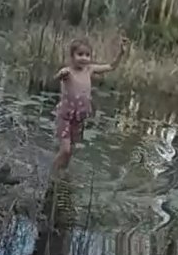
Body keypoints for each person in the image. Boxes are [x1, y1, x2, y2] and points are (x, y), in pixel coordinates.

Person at [53, 37, 128, 171]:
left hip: (79, 117)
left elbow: (111, 66)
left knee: (70, 151)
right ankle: (53, 173)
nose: (84, 58)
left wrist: (121, 53)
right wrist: (61, 74)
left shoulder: (89, 69)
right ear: (72, 56)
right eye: (80, 54)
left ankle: (62, 174)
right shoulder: (67, 72)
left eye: (87, 55)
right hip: (66, 116)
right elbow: (57, 77)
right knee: (65, 149)